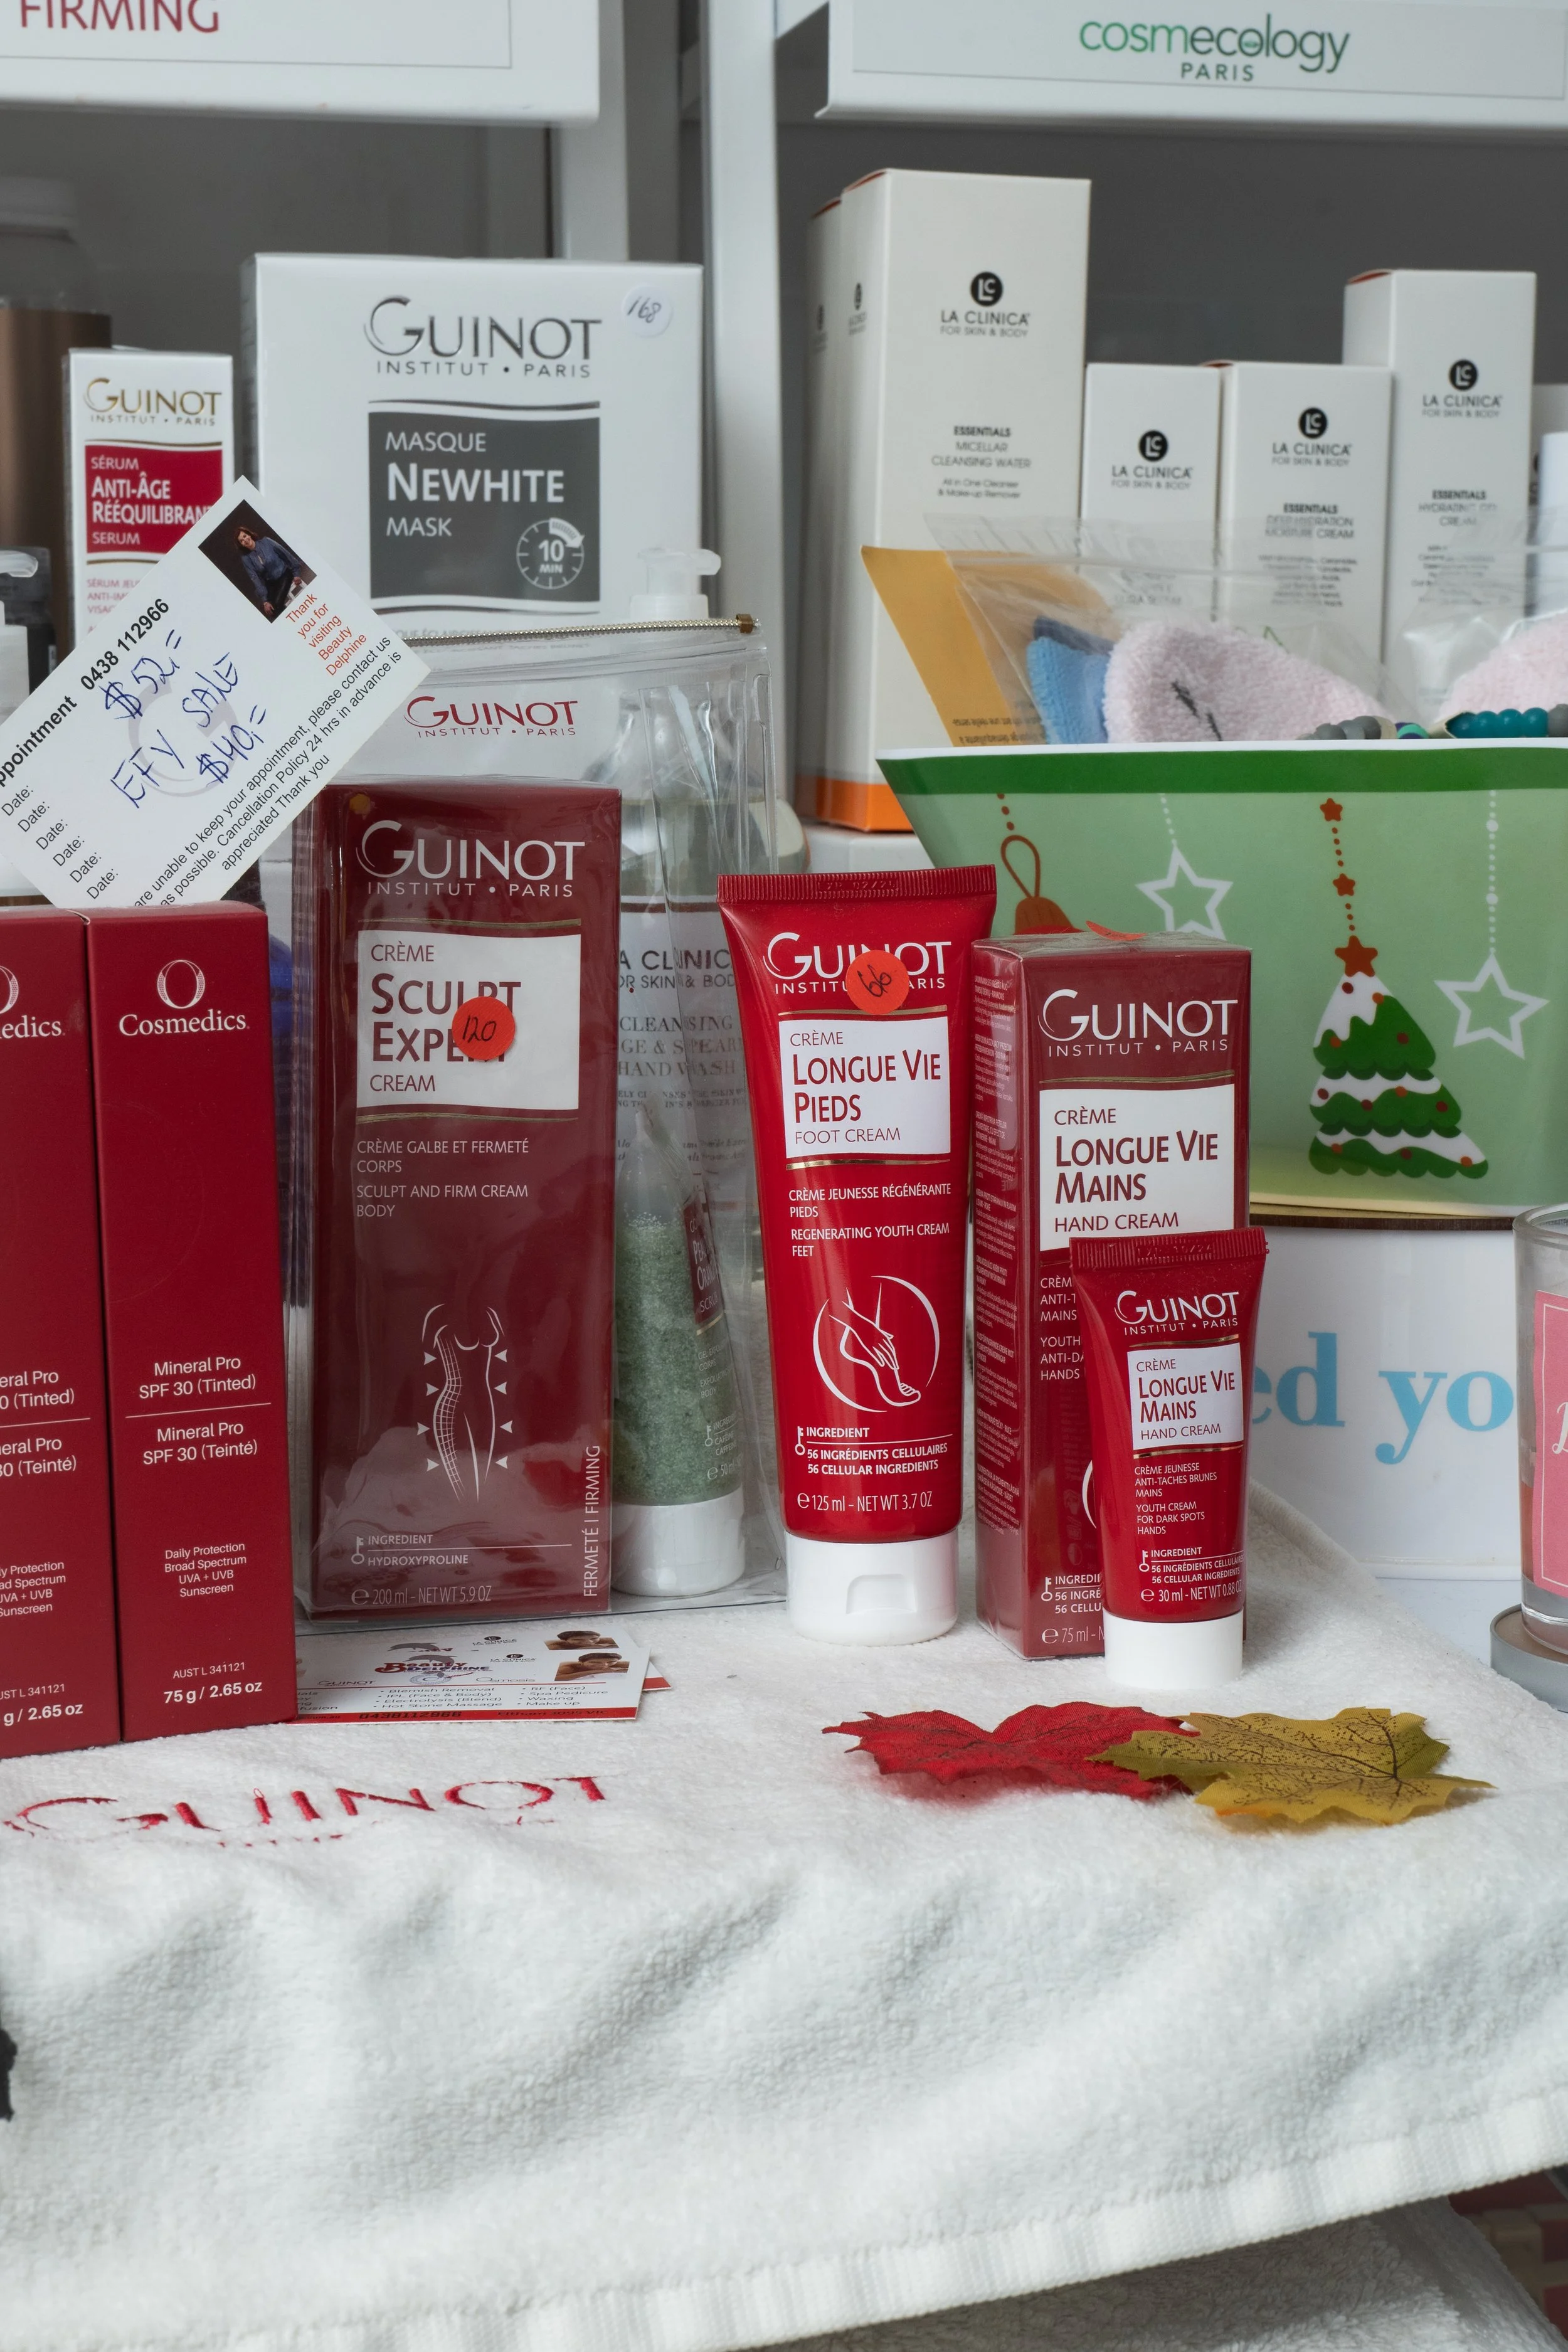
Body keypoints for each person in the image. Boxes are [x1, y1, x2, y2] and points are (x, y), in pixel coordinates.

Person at [234, 524, 306, 619]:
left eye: (245, 536)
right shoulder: (246, 559)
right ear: (241, 545)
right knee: (270, 611)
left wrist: (296, 573)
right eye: (242, 541)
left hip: (284, 574)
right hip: (271, 583)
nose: (245, 540)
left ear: (249, 535)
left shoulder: (267, 542)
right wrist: (265, 601)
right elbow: (255, 579)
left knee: (277, 605)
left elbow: (285, 554)